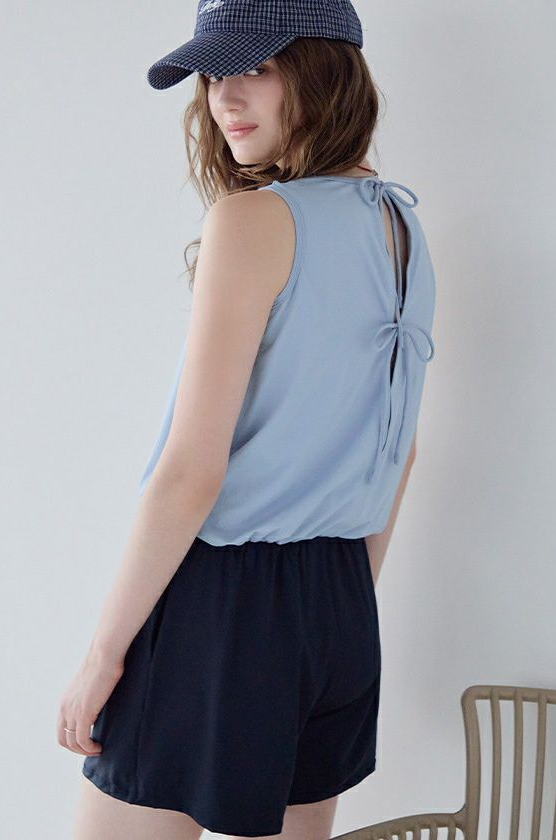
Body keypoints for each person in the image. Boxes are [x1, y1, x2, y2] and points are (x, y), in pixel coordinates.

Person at [58, 1, 436, 838]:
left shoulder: (253, 220)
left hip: (221, 605)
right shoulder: (400, 224)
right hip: (341, 600)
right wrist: (336, 609)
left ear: (326, 71)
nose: (225, 97)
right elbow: (398, 454)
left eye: (257, 68)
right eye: (213, 74)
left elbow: (191, 473)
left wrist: (101, 657)